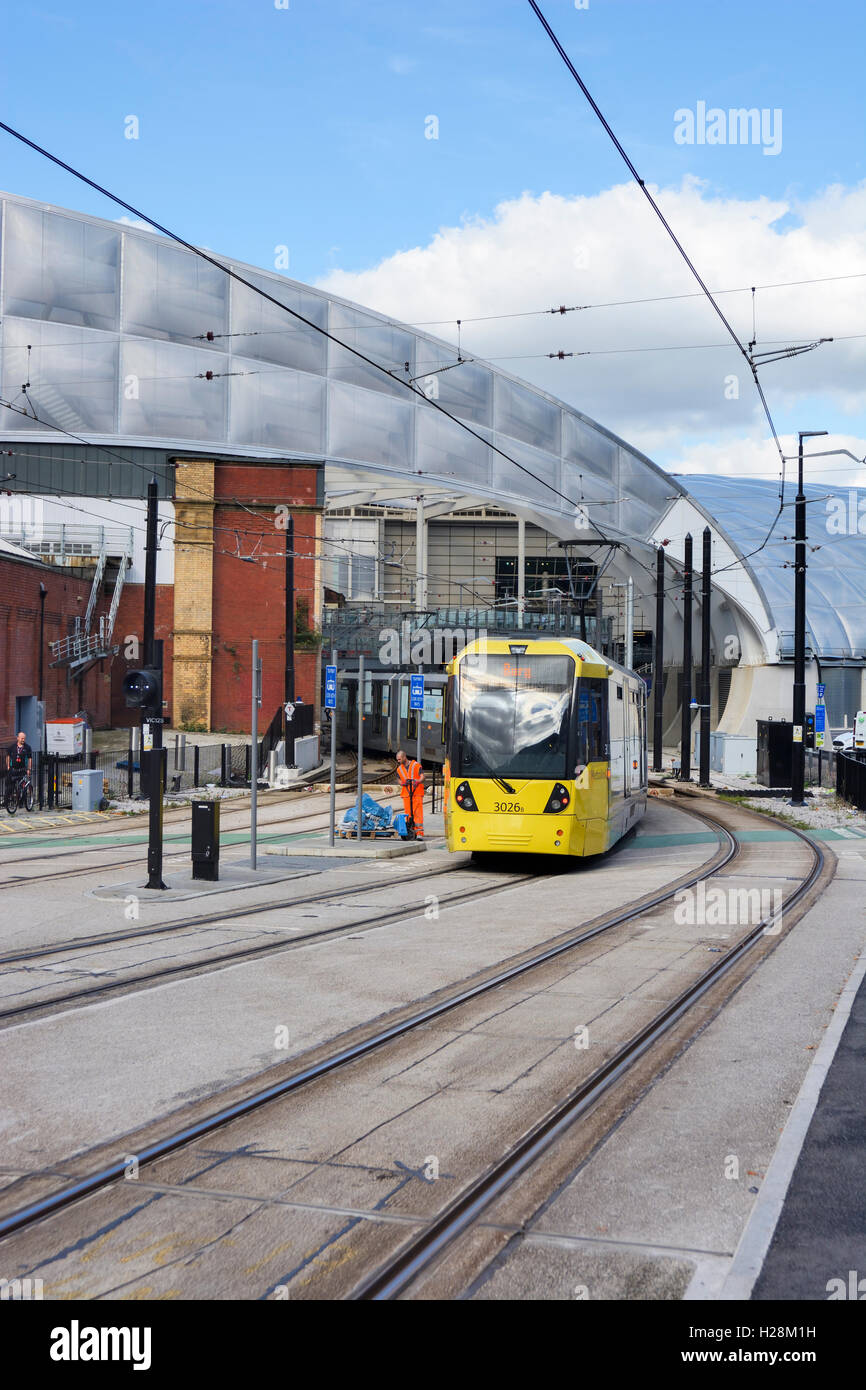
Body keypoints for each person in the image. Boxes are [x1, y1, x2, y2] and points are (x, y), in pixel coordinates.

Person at [395, 748, 424, 838]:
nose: (398, 761)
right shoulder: (399, 769)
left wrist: (418, 781)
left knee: (418, 814)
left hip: (417, 793)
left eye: (399, 759)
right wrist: (402, 783)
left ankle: (419, 833)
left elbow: (422, 776)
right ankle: (410, 831)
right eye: (397, 760)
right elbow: (398, 779)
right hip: (406, 794)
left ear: (404, 757)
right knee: (408, 814)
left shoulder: (416, 765)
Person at [7, 731, 32, 798]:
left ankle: (22, 801)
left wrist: (29, 769)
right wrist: (8, 766)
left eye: (24, 738)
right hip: (14, 769)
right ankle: (8, 800)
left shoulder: (27, 747)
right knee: (10, 785)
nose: (23, 740)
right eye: (22, 738)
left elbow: (30, 758)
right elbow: (8, 756)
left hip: (22, 769)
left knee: (22, 786)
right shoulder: (12, 747)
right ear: (18, 738)